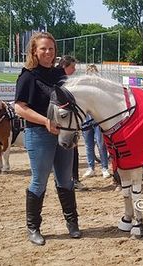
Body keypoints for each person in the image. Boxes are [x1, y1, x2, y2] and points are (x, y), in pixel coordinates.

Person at [14, 32, 81, 246]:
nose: (48, 52)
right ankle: (33, 227)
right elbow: (19, 107)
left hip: (63, 134)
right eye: (43, 48)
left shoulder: (60, 75)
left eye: (51, 49)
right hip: (38, 134)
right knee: (39, 181)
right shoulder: (28, 76)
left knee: (66, 180)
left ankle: (72, 224)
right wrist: (45, 121)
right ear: (34, 51)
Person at [57, 55, 86, 191]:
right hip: (64, 124)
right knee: (72, 152)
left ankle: (71, 179)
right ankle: (73, 180)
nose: (74, 70)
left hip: (65, 123)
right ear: (64, 66)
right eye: (72, 67)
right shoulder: (61, 81)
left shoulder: (63, 80)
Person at [82, 64, 111, 179]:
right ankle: (91, 167)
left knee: (101, 143)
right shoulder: (83, 89)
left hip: (98, 119)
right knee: (88, 145)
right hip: (87, 119)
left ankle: (104, 167)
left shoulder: (101, 88)